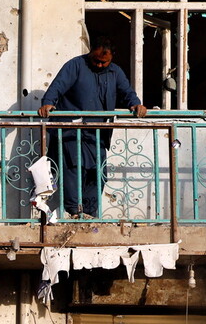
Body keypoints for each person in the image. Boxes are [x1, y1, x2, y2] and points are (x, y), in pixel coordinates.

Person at [38, 36, 147, 219]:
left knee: (98, 173)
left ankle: (89, 213)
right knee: (73, 169)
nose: (99, 65)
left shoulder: (115, 72)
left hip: (97, 134)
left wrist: (136, 104)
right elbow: (57, 87)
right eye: (96, 61)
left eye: (105, 62)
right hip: (71, 133)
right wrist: (48, 103)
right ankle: (75, 212)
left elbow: (127, 92)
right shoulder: (75, 65)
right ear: (90, 53)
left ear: (111, 59)